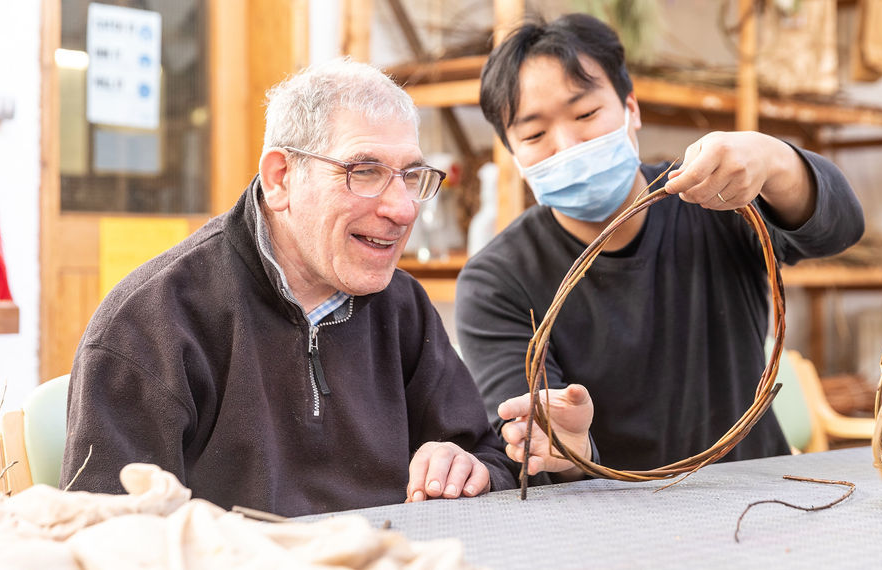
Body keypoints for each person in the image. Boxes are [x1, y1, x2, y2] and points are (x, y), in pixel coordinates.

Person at [62, 58, 547, 517]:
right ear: (280, 179)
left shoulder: (402, 306)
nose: (403, 209)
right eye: (365, 172)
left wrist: (470, 468)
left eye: (411, 176)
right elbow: (109, 539)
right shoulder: (149, 326)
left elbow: (490, 457)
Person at [456, 13, 865, 472]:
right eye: (534, 134)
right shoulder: (497, 279)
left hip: (756, 492)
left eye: (586, 113)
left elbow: (842, 227)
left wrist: (775, 161)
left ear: (631, 108)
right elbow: (526, 438)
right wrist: (568, 450)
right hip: (612, 517)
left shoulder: (712, 199)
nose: (568, 144)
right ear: (513, 155)